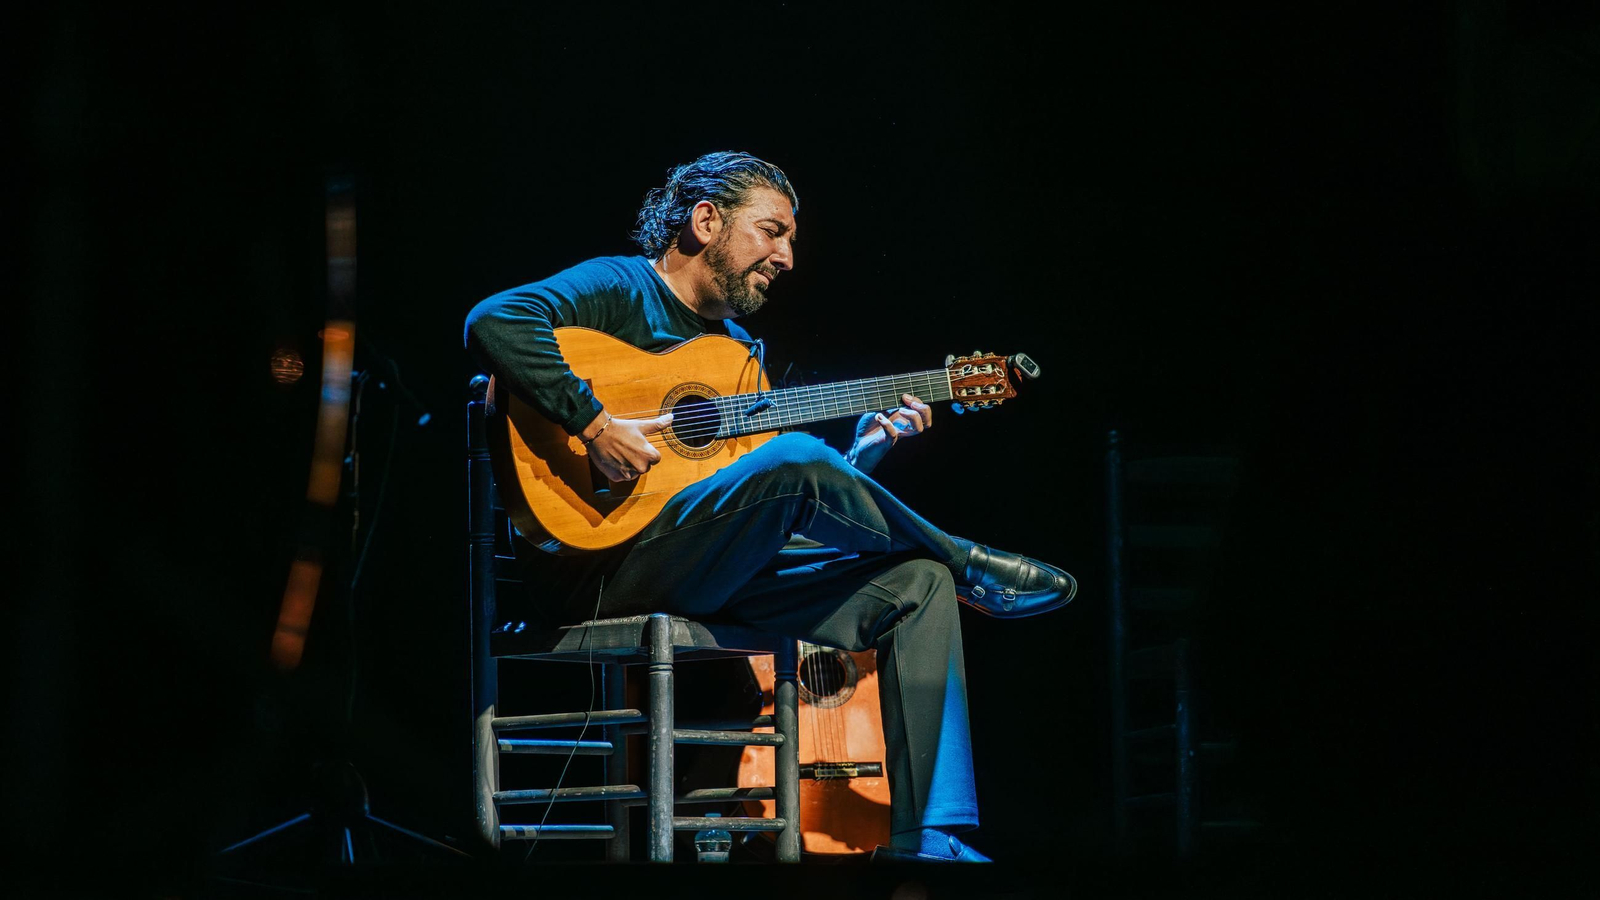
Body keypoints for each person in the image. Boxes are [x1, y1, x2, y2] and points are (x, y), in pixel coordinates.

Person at [464, 151, 1075, 863]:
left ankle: (926, 837)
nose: (786, 256)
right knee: (796, 464)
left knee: (916, 586)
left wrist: (864, 456)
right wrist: (594, 426)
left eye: (790, 239)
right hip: (601, 568)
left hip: (709, 570)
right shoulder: (623, 287)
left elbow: (759, 503)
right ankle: (968, 558)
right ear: (704, 221)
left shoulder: (737, 354)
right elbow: (494, 318)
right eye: (771, 232)